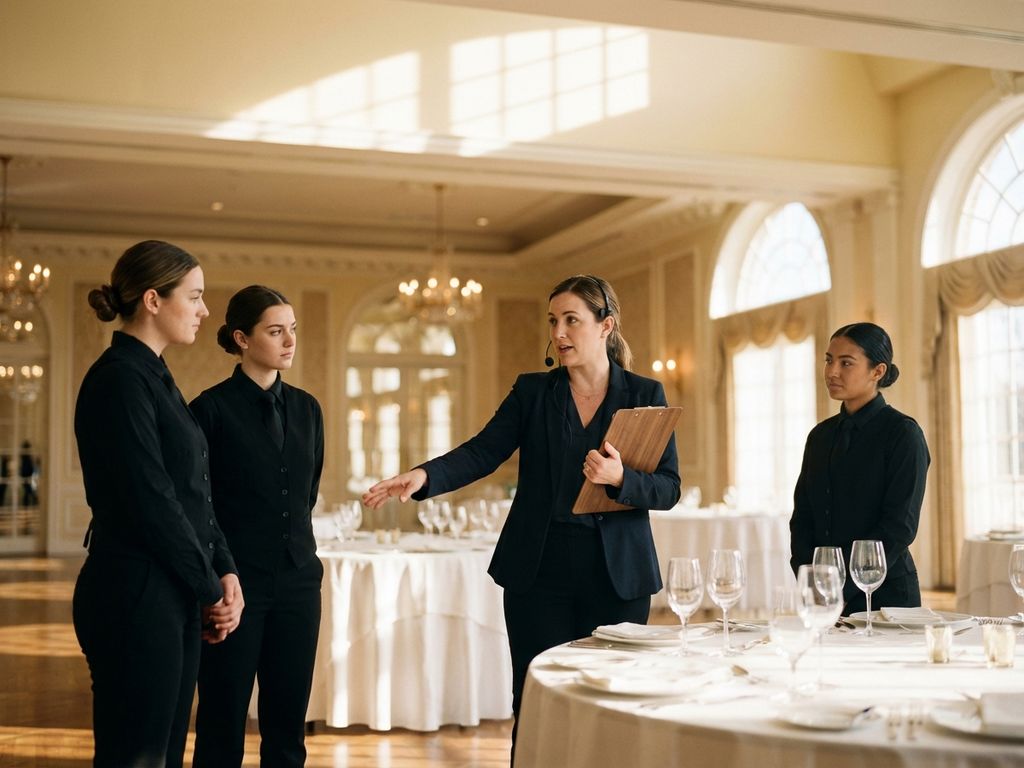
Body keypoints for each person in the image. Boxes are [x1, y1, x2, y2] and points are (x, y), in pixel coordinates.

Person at [362, 274, 680, 751]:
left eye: (572, 320)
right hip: (539, 571)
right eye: (554, 321)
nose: (559, 333)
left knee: (616, 703)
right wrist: (422, 476)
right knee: (534, 700)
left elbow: (669, 488)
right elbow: (482, 452)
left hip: (618, 575)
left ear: (605, 326)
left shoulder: (645, 394)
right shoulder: (533, 393)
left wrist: (621, 480)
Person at [72, 240, 244, 768]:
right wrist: (209, 588)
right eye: (194, 296)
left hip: (169, 592)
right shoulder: (120, 380)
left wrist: (224, 569)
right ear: (152, 299)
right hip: (134, 595)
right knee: (138, 758)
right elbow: (152, 501)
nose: (204, 309)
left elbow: (193, 489)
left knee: (165, 756)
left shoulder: (155, 375)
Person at [191, 285, 325, 768]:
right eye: (275, 331)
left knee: (287, 724)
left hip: (299, 583)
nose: (289, 341)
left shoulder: (309, 409)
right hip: (235, 586)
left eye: (292, 329)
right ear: (242, 338)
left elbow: (306, 495)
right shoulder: (208, 411)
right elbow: (198, 506)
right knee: (222, 720)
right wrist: (217, 580)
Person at [790, 322, 930, 614]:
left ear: (877, 371)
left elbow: (899, 526)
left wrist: (843, 586)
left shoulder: (903, 434)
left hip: (886, 597)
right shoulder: (820, 436)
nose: (832, 372)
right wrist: (813, 582)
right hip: (823, 599)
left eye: (846, 363)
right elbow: (803, 519)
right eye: (829, 360)